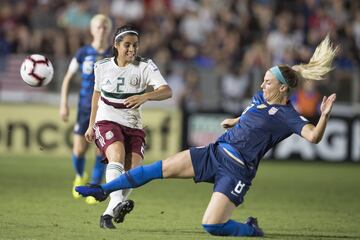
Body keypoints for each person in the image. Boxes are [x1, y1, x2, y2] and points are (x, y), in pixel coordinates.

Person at [76, 35, 338, 237]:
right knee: (158, 169)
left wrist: (323, 116)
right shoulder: (261, 99)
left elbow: (313, 137)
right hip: (214, 153)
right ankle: (103, 190)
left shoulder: (287, 116)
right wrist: (235, 120)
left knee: (212, 226)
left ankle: (250, 230)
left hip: (237, 171)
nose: (261, 85)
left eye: (267, 82)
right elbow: (253, 114)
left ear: (282, 88)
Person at [84, 25, 172, 229]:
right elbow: (96, 95)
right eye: (127, 45)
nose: (132, 49)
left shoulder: (145, 66)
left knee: (133, 171)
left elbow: (167, 91)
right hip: (107, 119)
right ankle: (117, 202)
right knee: (116, 155)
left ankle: (107, 214)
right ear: (116, 45)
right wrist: (91, 125)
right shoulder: (102, 66)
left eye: (135, 45)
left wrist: (146, 95)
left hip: (133, 124)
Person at [59, 14, 112, 205]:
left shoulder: (114, 54)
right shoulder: (83, 53)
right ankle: (80, 175)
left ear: (109, 30)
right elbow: (67, 78)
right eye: (98, 26)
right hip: (83, 108)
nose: (102, 29)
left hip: (105, 109)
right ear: (91, 29)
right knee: (79, 149)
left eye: (105, 26)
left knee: (101, 151)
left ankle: (94, 187)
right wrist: (63, 104)